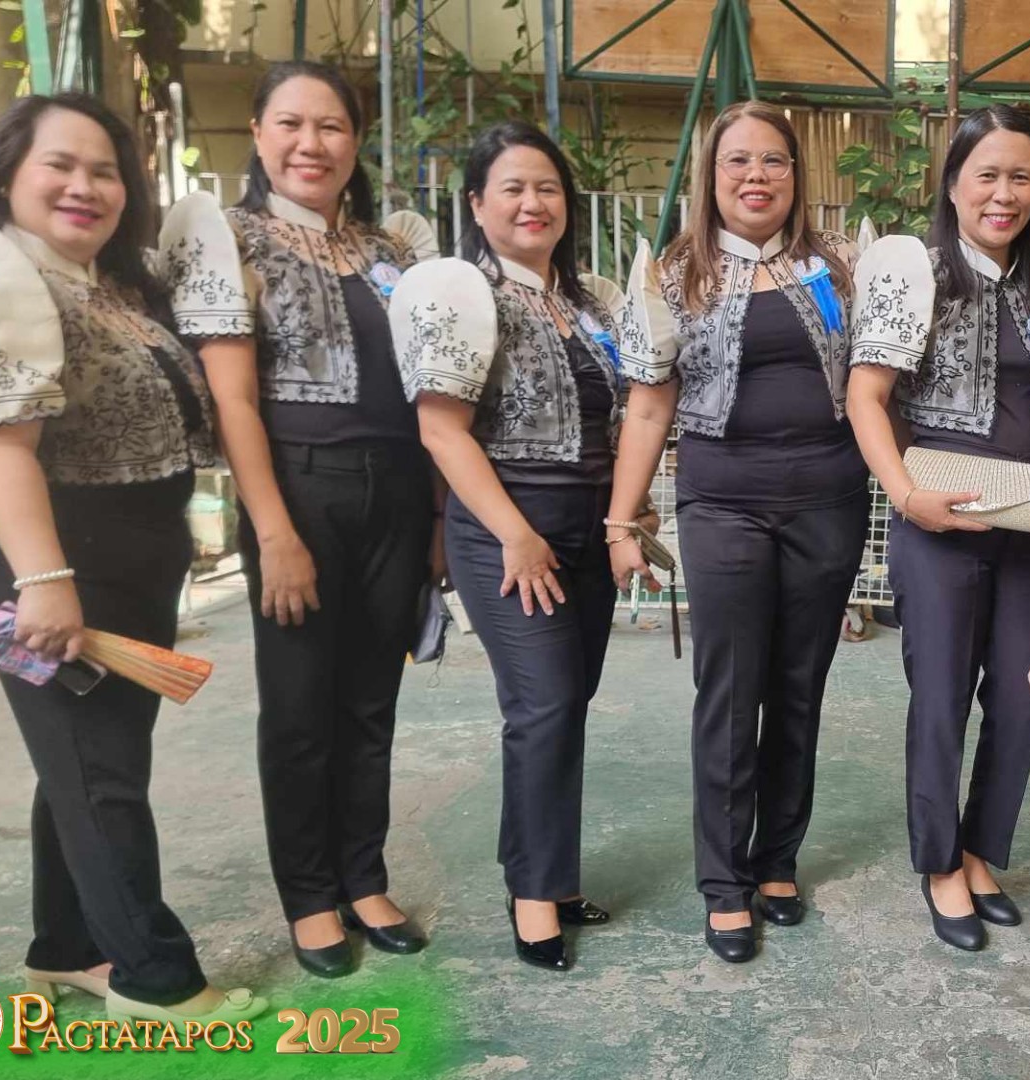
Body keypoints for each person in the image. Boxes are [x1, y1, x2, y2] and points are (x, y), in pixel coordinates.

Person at [0, 93, 266, 1024]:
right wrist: (44, 582)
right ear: (8, 175)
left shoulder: (114, 283)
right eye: (59, 165)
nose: (84, 187)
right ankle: (154, 977)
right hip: (47, 556)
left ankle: (67, 948)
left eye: (104, 171)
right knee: (100, 772)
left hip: (135, 552)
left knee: (90, 762)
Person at [160, 60, 441, 978]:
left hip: (399, 490)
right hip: (300, 490)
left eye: (331, 126)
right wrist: (274, 530)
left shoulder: (388, 252)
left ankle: (364, 878)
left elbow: (432, 392)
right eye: (290, 124)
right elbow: (235, 403)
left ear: (355, 142)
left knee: (371, 699)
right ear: (258, 133)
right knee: (299, 707)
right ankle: (311, 897)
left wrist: (438, 514)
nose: (311, 144)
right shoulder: (230, 239)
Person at [612, 101, 862, 964]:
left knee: (798, 687)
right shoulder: (676, 275)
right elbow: (649, 406)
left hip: (829, 502)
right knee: (729, 692)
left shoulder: (839, 266)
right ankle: (724, 883)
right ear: (710, 177)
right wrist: (621, 518)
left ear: (797, 174)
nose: (756, 176)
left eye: (774, 161)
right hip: (723, 506)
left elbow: (878, 383)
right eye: (738, 161)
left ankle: (777, 860)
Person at [390, 121, 622, 971]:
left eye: (548, 188)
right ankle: (533, 897)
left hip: (586, 529)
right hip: (507, 530)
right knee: (544, 705)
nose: (533, 203)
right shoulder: (463, 292)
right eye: (513, 188)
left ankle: (549, 873)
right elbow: (441, 430)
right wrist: (516, 535)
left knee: (567, 703)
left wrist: (624, 516)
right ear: (477, 205)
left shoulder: (588, 303)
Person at [843, 105, 1030, 951]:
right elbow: (866, 396)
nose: (1004, 194)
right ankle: (941, 865)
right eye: (988, 176)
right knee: (941, 697)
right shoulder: (919, 272)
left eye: (1021, 177)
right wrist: (907, 497)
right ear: (953, 184)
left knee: (1021, 698)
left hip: (1025, 520)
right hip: (937, 515)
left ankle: (980, 852)